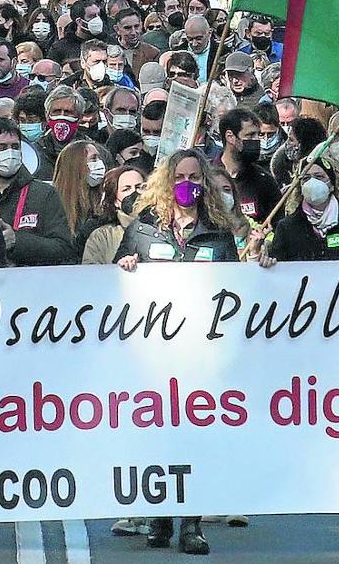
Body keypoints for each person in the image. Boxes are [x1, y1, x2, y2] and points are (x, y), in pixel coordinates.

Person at [115, 149, 238, 554]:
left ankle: (191, 523)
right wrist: (127, 266)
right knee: (157, 437)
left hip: (201, 356)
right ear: (166, 183)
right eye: (181, 176)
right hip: (152, 355)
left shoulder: (218, 234)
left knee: (196, 438)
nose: (189, 184)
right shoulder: (143, 230)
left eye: (196, 177)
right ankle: (161, 516)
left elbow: (237, 290)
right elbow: (113, 283)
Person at [0, 117, 74, 265]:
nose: (10, 153)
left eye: (15, 147)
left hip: (30, 283)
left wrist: (17, 241)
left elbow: (63, 248)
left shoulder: (44, 194)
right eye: (2, 147)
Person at [258, 154, 339, 265]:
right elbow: (279, 269)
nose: (312, 182)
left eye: (319, 177)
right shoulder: (287, 227)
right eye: (306, 178)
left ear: (332, 184)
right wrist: (267, 262)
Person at [81, 165, 148, 265]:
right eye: (126, 189)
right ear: (115, 200)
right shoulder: (102, 237)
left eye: (139, 187)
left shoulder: (162, 228)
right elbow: (90, 274)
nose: (134, 192)